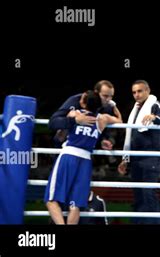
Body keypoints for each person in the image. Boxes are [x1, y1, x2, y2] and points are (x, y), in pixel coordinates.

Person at [44, 91, 121, 224]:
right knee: (75, 205)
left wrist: (72, 121)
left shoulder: (75, 114)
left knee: (51, 200)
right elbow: (119, 120)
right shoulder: (102, 119)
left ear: (84, 102)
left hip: (68, 156)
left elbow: (57, 130)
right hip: (85, 160)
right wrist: (113, 106)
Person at [117, 80, 160, 224]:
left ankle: (153, 223)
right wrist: (125, 158)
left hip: (151, 156)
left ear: (148, 90)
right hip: (136, 157)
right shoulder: (135, 111)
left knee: (148, 192)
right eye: (134, 92)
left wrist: (154, 117)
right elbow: (130, 135)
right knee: (138, 193)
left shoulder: (155, 104)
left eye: (140, 91)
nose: (137, 95)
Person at [49, 80, 122, 150]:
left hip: (87, 150)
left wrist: (101, 141)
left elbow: (98, 130)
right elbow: (53, 122)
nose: (108, 99)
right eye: (105, 96)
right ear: (96, 93)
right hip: (64, 147)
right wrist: (75, 120)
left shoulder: (107, 107)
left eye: (111, 96)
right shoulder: (77, 101)